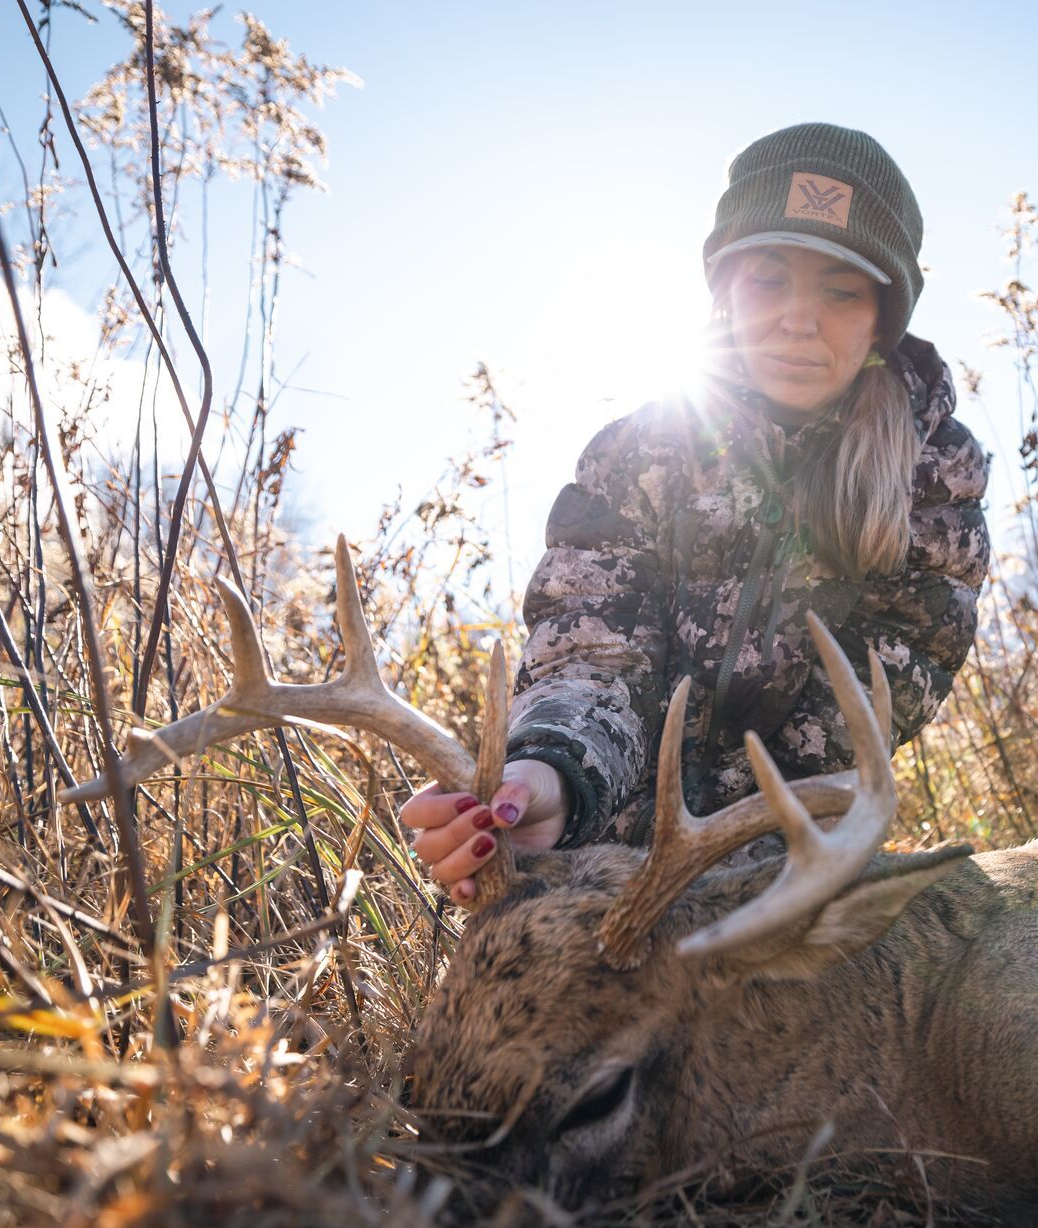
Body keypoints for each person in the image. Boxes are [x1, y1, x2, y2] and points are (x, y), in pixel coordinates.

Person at [401, 123, 991, 903]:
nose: (798, 318)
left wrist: (719, 858)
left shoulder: (932, 478)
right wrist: (551, 780)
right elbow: (592, 655)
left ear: (885, 317)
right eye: (768, 281)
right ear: (722, 290)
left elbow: (868, 711)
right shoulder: (638, 451)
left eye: (841, 291)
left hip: (784, 881)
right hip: (593, 864)